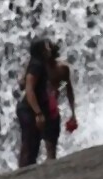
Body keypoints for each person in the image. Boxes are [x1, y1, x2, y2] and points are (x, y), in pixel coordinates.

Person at [16, 38, 52, 167]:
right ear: (41, 51)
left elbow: (21, 84)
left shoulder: (35, 63)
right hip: (28, 109)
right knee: (29, 141)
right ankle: (22, 171)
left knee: (33, 142)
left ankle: (26, 169)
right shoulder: (36, 65)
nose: (49, 49)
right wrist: (38, 113)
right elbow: (29, 90)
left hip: (28, 108)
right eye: (47, 47)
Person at [44, 43, 77, 161]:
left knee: (51, 142)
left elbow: (67, 86)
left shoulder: (62, 69)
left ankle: (49, 161)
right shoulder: (40, 69)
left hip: (51, 108)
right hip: (40, 106)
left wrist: (58, 88)